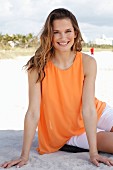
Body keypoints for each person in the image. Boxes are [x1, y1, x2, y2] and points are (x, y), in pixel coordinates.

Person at [1, 8, 113, 169]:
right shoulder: (37, 66)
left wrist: (94, 153)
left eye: (68, 31)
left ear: (75, 33)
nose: (63, 37)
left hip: (96, 111)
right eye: (56, 32)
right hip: (67, 131)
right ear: (49, 35)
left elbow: (88, 109)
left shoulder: (88, 62)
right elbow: (33, 112)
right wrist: (24, 156)